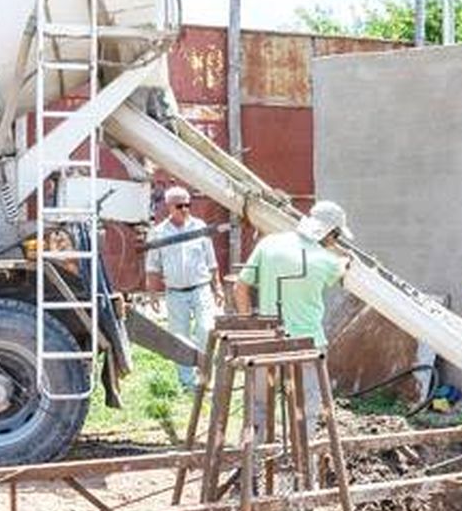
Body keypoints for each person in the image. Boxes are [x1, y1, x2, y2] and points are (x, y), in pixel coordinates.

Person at [233, 200, 352, 435]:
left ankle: (250, 464)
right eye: (336, 236)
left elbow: (240, 287)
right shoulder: (327, 261)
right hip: (307, 345)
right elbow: (344, 267)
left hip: (267, 340)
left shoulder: (269, 244)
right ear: (332, 233)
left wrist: (251, 327)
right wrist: (344, 259)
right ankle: (303, 466)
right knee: (305, 411)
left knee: (257, 407)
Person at [144, 185, 223, 389]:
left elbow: (211, 261)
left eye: (188, 205)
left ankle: (205, 375)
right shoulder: (158, 233)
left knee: (206, 330)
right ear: (169, 207)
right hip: (175, 293)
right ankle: (187, 382)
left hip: (200, 288)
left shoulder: (199, 227)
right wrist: (152, 294)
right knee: (179, 337)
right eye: (180, 206)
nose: (185, 209)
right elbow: (152, 267)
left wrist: (218, 287)